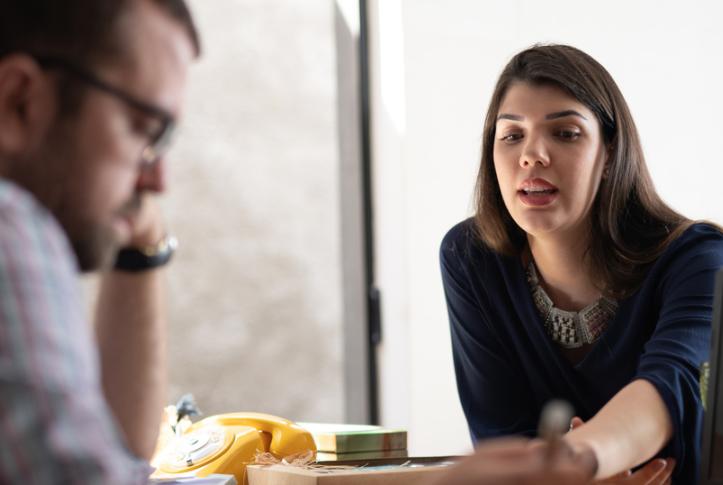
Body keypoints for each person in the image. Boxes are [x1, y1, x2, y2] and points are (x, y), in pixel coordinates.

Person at [439, 44, 723, 484]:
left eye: (565, 133)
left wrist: (575, 462)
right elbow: (500, 436)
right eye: (512, 135)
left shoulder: (699, 259)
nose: (532, 155)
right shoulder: (470, 258)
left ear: (609, 153)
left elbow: (673, 387)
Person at [0, 0, 199, 483]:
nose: (157, 180)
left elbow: (113, 455)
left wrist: (140, 244)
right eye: (142, 128)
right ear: (19, 100)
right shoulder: (10, 227)